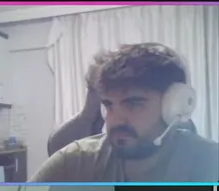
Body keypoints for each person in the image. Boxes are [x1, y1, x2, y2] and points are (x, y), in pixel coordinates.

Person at [32, 43, 218, 183]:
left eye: (133, 104)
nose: (115, 121)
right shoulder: (75, 161)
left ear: (173, 106)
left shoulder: (210, 163)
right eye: (109, 105)